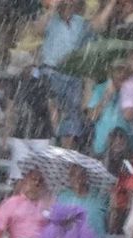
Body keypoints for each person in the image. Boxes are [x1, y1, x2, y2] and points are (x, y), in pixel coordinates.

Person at [40, 0, 90, 148]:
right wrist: (52, 8)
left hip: (73, 73)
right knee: (51, 104)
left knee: (73, 113)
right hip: (51, 70)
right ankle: (53, 138)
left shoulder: (81, 23)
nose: (68, 4)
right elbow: (38, 29)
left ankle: (65, 153)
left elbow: (90, 42)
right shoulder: (51, 19)